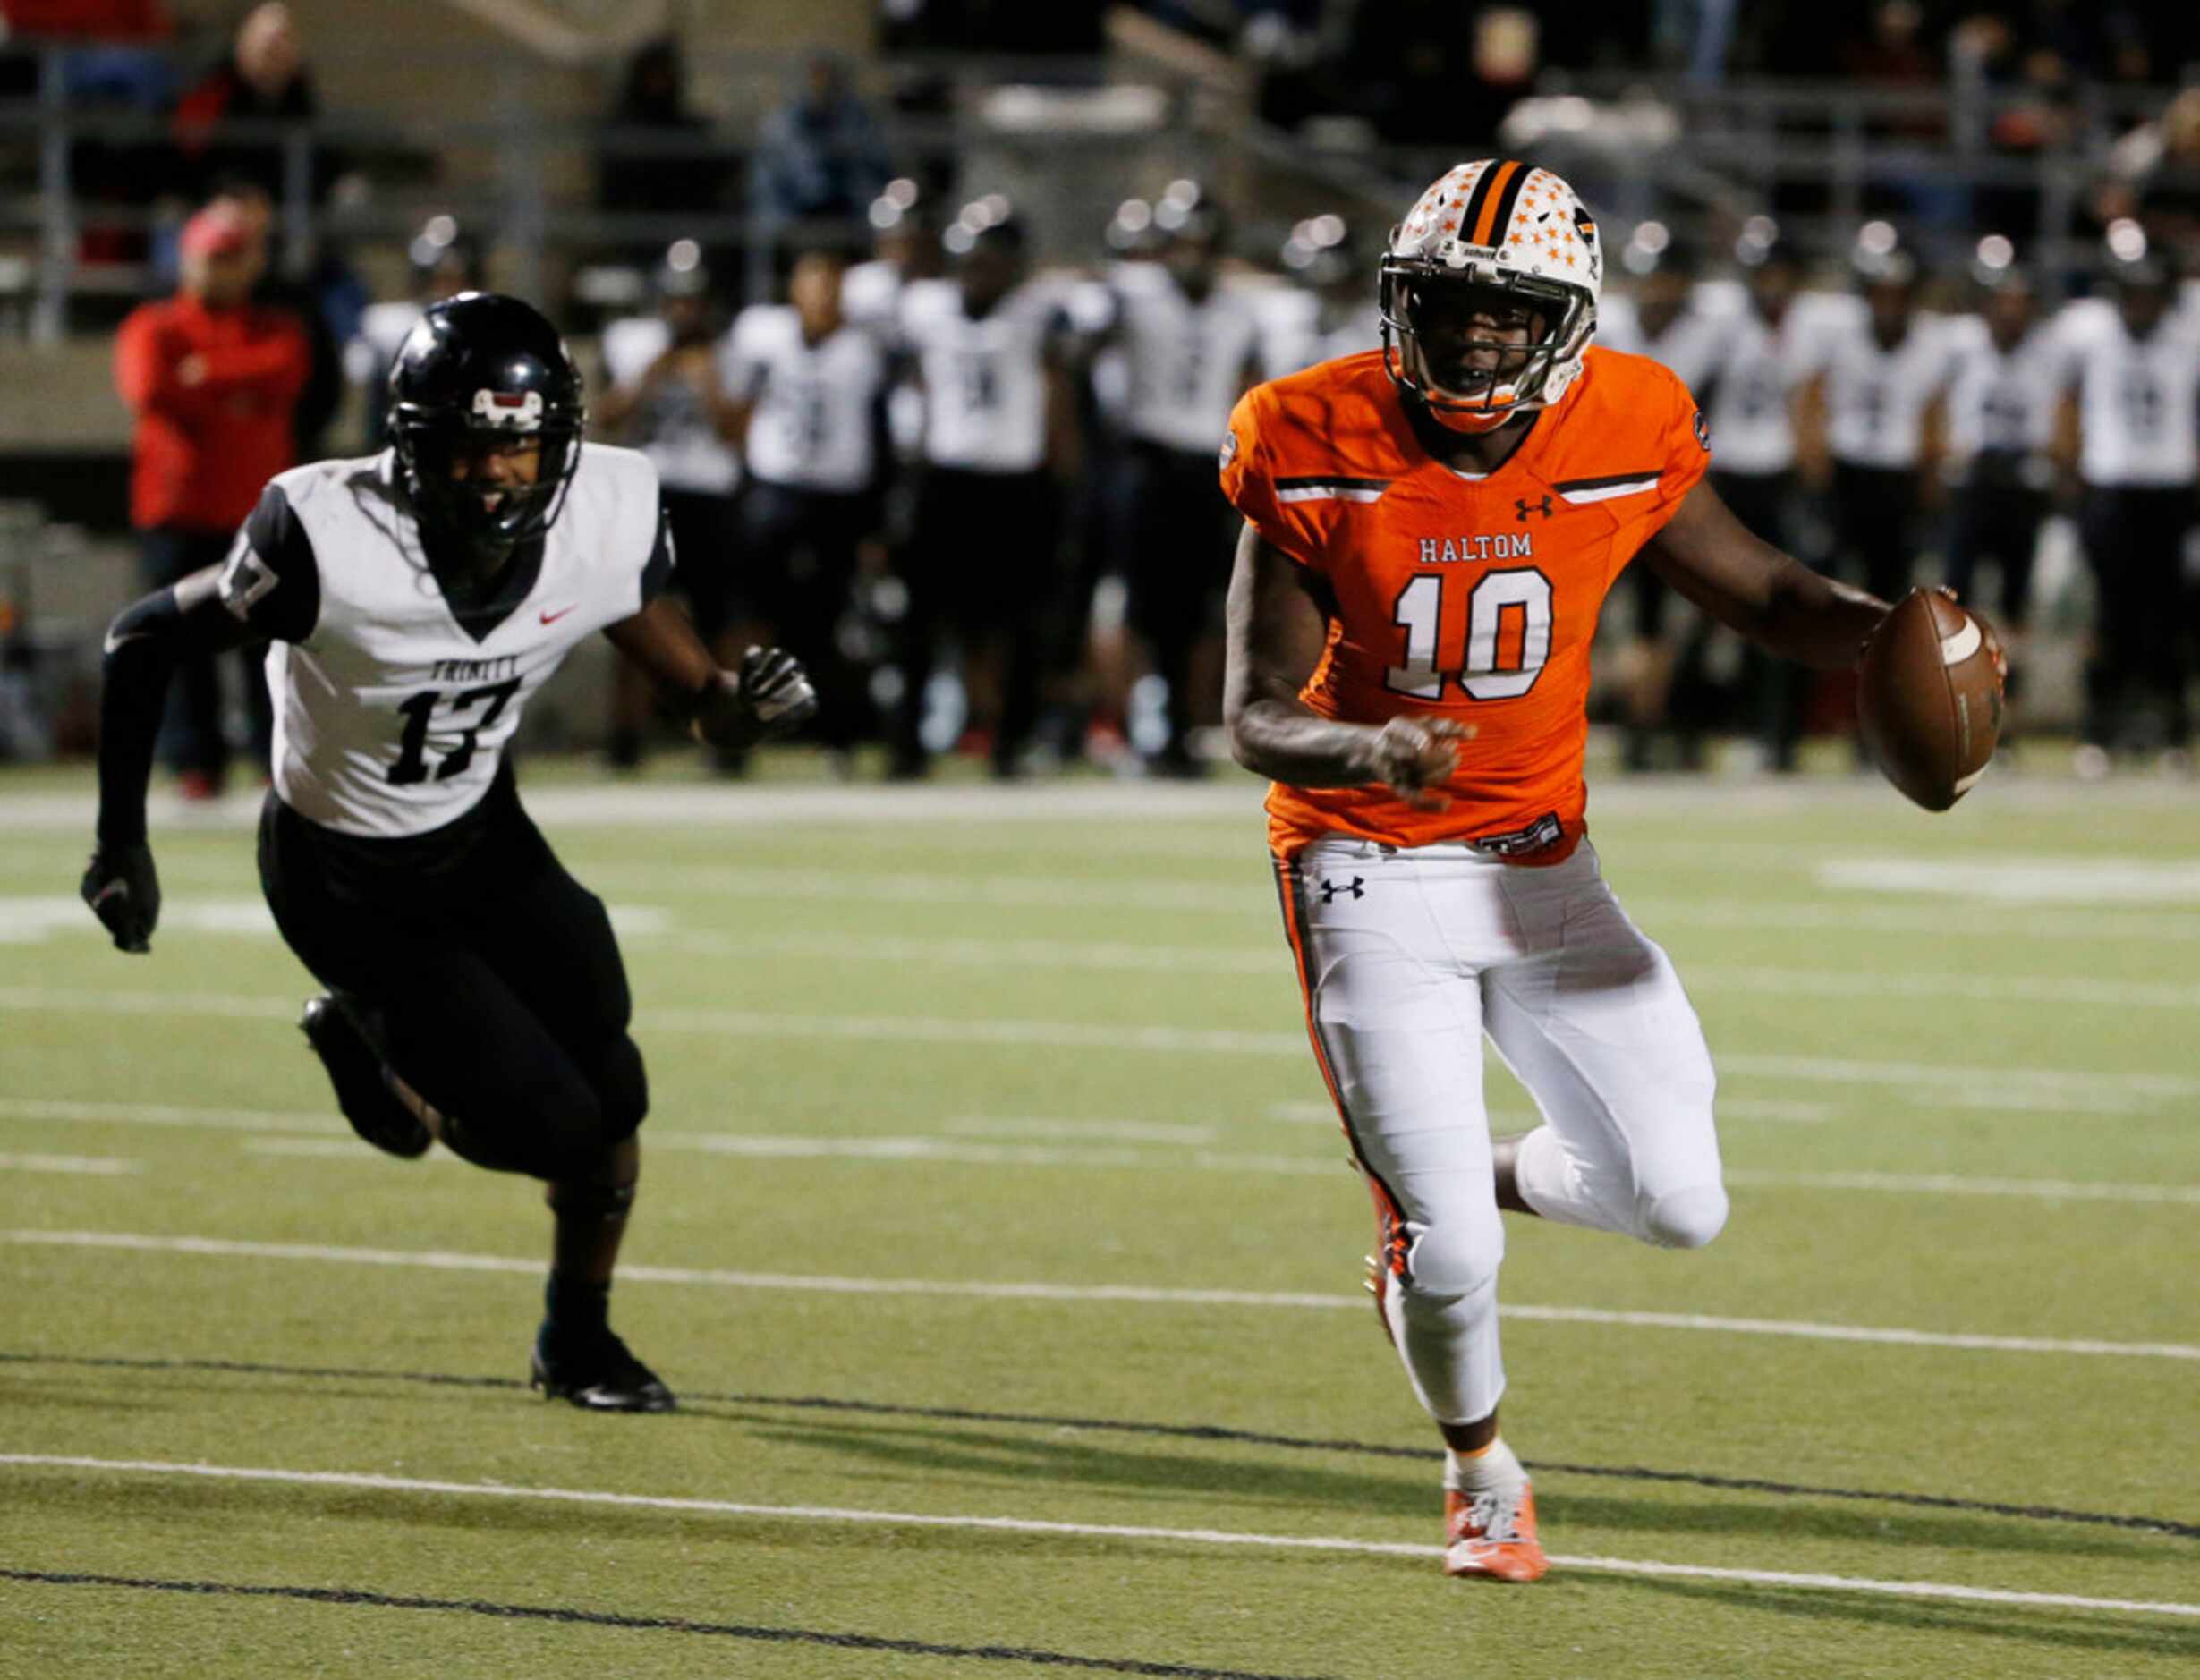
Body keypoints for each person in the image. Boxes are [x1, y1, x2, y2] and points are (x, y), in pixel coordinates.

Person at [1219, 160, 1915, 1582]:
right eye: (1450, 305)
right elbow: (1250, 713)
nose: (1472, 336)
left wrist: (1892, 634)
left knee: (1676, 1200)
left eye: (1504, 310)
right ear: (1400, 302)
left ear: (1566, 320)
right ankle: (1480, 1470)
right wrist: (1362, 753)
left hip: (1541, 863)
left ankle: (1451, 1185)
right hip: (1365, 861)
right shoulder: (1305, 432)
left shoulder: (1628, 419)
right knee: (1453, 1259)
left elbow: (1763, 593)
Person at [80, 293, 818, 1411]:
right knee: (547, 1128)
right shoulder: (323, 532)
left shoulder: (606, 512)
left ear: (557, 441)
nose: (493, 473)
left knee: (613, 1085)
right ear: (413, 443)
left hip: (480, 832)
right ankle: (380, 1065)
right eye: (468, 445)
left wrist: (742, 713)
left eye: (517, 444)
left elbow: (695, 701)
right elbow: (142, 639)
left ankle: (574, 1340)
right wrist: (120, 836)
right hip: (342, 869)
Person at [113, 200, 310, 798]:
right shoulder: (154, 327)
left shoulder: (278, 327)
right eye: (212, 257)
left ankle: (274, 756)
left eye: (233, 258)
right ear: (188, 258)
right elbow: (153, 389)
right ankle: (194, 764)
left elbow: (283, 374)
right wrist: (234, 390)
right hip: (177, 510)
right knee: (181, 646)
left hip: (256, 515)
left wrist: (207, 376)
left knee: (271, 647)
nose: (221, 271)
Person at [890, 201, 1077, 777]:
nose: (982, 271)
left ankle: (1009, 742)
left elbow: (1058, 398)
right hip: (944, 479)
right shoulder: (927, 309)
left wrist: (1061, 480)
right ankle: (906, 744)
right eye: (974, 259)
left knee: (1018, 624)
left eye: (994, 260)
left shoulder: (1039, 315)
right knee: (919, 621)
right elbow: (917, 388)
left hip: (1015, 484)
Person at [1104, 185, 1263, 775]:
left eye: (1203, 243)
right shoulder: (1130, 295)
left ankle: (1182, 726)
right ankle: (1129, 725)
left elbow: (1248, 388)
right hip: (1145, 460)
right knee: (1141, 606)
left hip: (1207, 466)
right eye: (1183, 243)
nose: (1192, 254)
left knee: (1201, 607)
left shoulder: (1240, 308)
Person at [724, 247, 895, 760]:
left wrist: (875, 522)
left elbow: (879, 437)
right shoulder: (764, 338)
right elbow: (739, 412)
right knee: (752, 618)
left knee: (833, 622)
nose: (821, 296)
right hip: (775, 489)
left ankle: (836, 735)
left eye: (831, 285)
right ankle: (736, 732)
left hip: (839, 499)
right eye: (812, 283)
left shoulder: (864, 353)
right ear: (794, 289)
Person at [593, 243, 747, 768]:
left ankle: (727, 741)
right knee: (634, 619)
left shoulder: (733, 352)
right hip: (647, 493)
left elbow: (737, 434)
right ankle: (624, 741)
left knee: (720, 624)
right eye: (678, 300)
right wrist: (650, 374)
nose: (686, 310)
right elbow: (607, 417)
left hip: (710, 495)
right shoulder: (633, 344)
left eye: (695, 300)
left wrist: (706, 381)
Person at [2054, 236, 2200, 776]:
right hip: (2110, 487)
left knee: (2169, 619)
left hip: (2169, 488)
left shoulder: (2188, 335)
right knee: (2112, 615)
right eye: (2131, 292)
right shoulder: (2088, 334)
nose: (2140, 302)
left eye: (2149, 292)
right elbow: (2066, 404)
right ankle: (2099, 729)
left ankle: (2172, 731)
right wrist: (2068, 471)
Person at [1940, 249, 2060, 732]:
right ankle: (1950, 710)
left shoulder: (2051, 349)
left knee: (2015, 605)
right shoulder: (1957, 343)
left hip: (2023, 482)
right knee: (1954, 604)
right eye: (2002, 299)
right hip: (1970, 480)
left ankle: (2005, 720)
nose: (2010, 310)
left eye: (2019, 300)